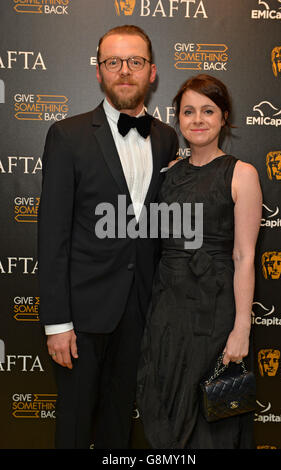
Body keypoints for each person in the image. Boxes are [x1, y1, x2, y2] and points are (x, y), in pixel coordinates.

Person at [37, 24, 178, 449]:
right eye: (112, 62)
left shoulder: (167, 138)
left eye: (135, 61)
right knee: (75, 427)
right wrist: (57, 324)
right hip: (81, 317)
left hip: (139, 313)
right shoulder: (68, 135)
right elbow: (52, 236)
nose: (124, 71)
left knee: (120, 425)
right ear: (98, 72)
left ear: (152, 72)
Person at [137, 74, 262, 449]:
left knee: (210, 424)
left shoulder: (242, 174)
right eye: (188, 112)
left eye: (208, 110)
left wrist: (241, 329)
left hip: (214, 311)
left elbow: (244, 256)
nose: (198, 119)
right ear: (178, 120)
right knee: (165, 411)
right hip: (168, 310)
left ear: (224, 117)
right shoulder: (169, 174)